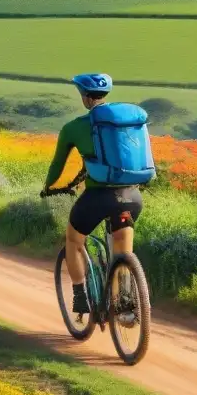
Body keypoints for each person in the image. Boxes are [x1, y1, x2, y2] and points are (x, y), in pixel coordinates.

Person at [41, 73, 144, 316]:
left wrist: (48, 187)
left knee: (74, 241)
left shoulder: (74, 127)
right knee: (123, 249)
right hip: (132, 195)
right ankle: (125, 304)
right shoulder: (125, 124)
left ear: (85, 97)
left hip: (99, 198)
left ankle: (80, 296)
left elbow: (57, 166)